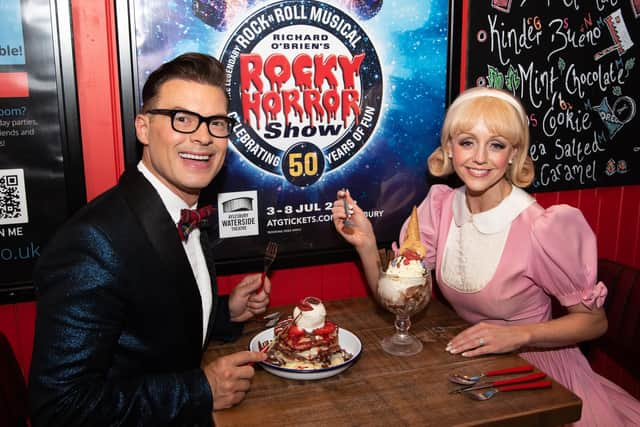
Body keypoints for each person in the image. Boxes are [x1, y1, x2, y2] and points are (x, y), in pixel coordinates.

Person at [332, 86, 640, 426]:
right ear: (449, 148)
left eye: (495, 145)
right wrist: (365, 242)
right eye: (466, 142)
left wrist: (519, 336)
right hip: (478, 369)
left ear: (513, 153)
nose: (479, 157)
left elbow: (595, 322)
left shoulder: (543, 228)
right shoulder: (439, 209)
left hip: (541, 377)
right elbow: (403, 301)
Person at [29, 52, 270, 427]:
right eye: (183, 119)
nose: (203, 136)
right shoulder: (91, 243)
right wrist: (199, 390)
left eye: (216, 122)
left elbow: (149, 327)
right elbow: (60, 408)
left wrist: (224, 313)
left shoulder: (182, 208)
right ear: (143, 128)